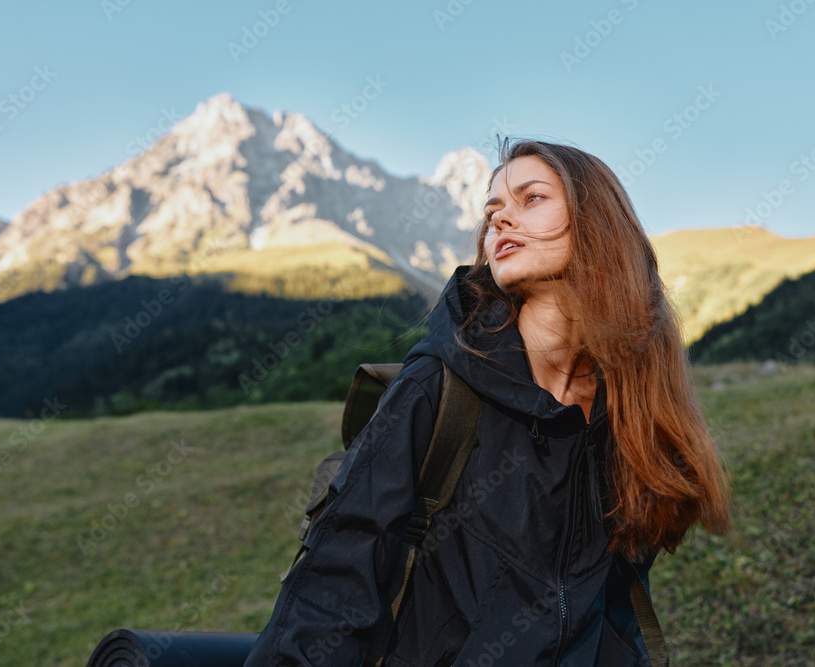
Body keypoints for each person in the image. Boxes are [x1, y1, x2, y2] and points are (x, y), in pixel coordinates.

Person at [244, 139, 730, 666]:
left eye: (531, 199)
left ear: (597, 223)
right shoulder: (438, 386)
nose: (500, 220)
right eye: (493, 209)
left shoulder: (628, 417)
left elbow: (615, 612)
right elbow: (331, 586)